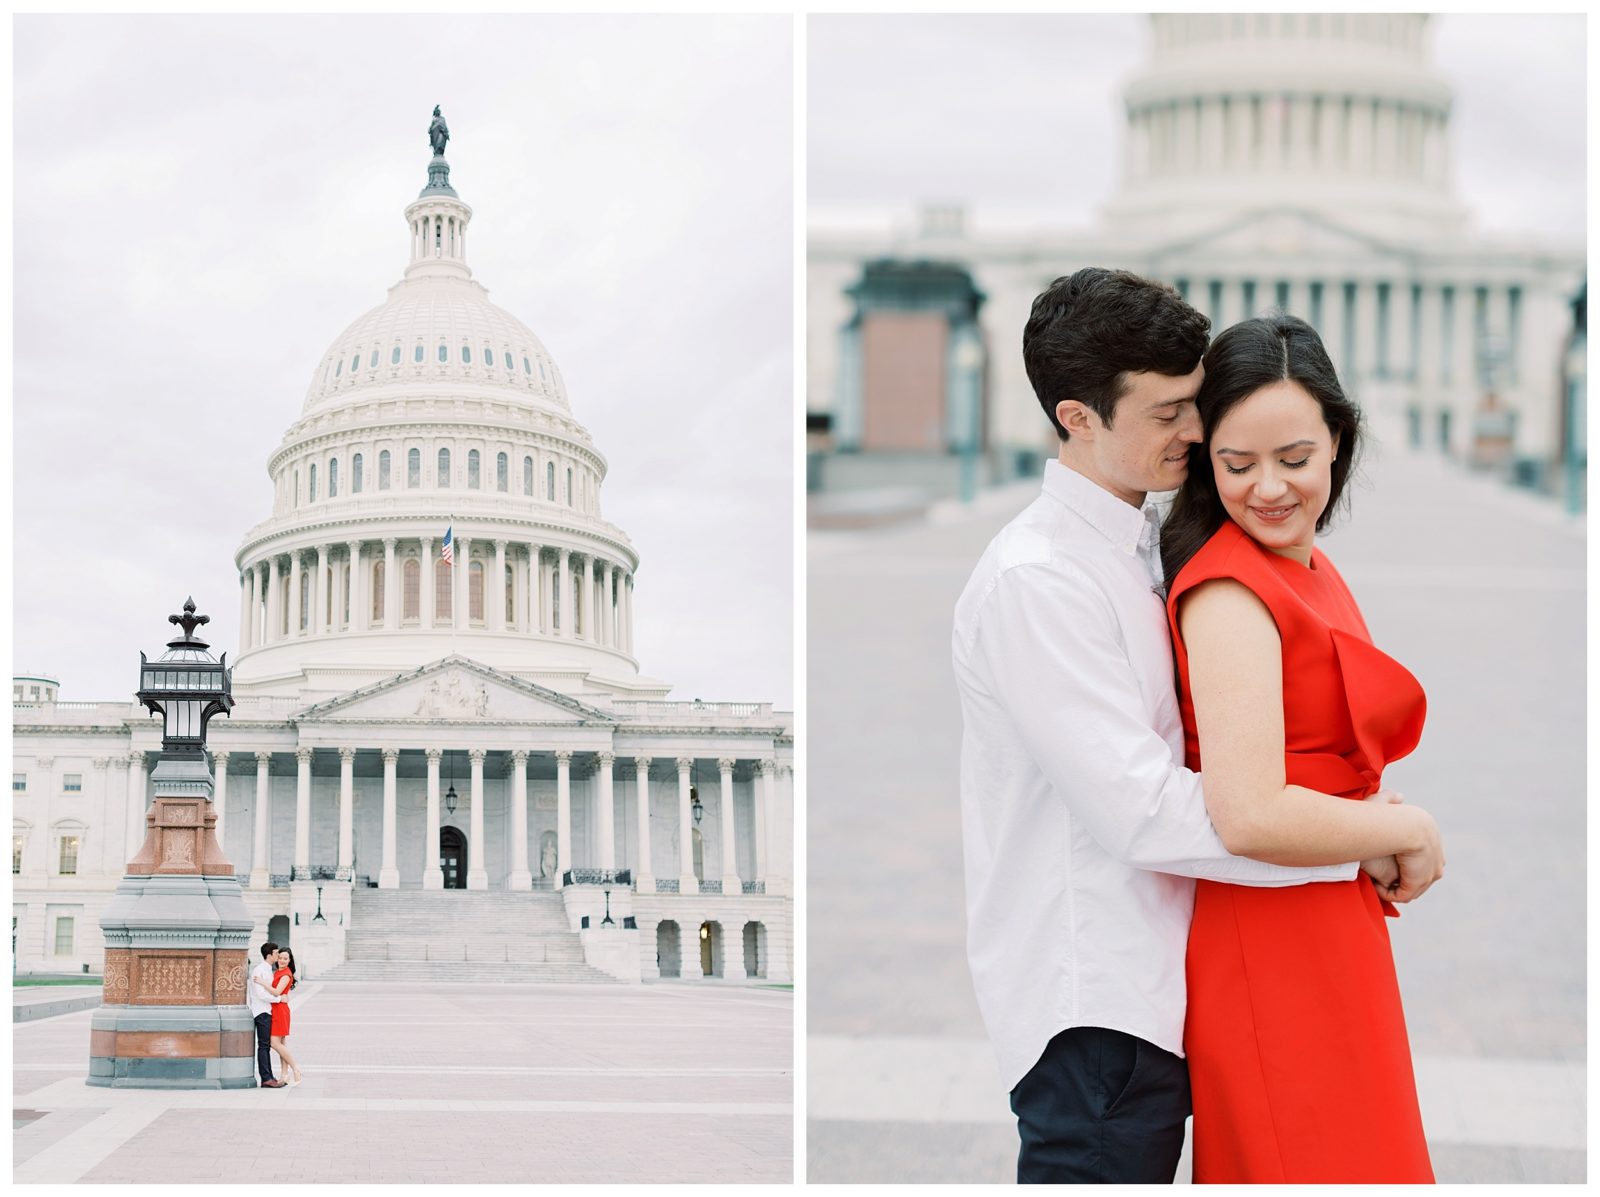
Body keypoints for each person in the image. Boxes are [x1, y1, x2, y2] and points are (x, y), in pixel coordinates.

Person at [952, 267, 1442, 1184]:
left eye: (1194, 404)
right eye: (1169, 412)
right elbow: (1143, 808)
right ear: (1078, 418)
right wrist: (1364, 836)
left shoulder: (1137, 544)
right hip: (1094, 1001)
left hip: (1160, 980)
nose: (1195, 428)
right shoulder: (1040, 580)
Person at [1159, 313, 1441, 1182]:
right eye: (1235, 465)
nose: (1268, 489)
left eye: (1295, 458)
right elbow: (1246, 813)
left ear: (1337, 441)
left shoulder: (1306, 566)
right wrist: (1409, 829)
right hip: (1270, 929)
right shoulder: (1232, 590)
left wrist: (1368, 821)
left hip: (1324, 917)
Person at [248, 941, 287, 1089]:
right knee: (264, 1045)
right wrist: (278, 998)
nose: (279, 955)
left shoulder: (268, 969)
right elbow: (260, 994)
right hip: (262, 1012)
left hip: (267, 1011)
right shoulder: (259, 971)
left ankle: (269, 1076)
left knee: (266, 1045)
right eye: (277, 953)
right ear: (270, 955)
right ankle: (266, 1078)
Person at [269, 947, 303, 1087]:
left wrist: (261, 982)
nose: (282, 960)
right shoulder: (278, 972)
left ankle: (296, 1068)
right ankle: (284, 1074)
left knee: (274, 1043)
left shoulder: (285, 974)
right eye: (281, 958)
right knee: (281, 1044)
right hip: (277, 1008)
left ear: (290, 961)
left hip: (280, 1011)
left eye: (285, 958)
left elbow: (277, 992)